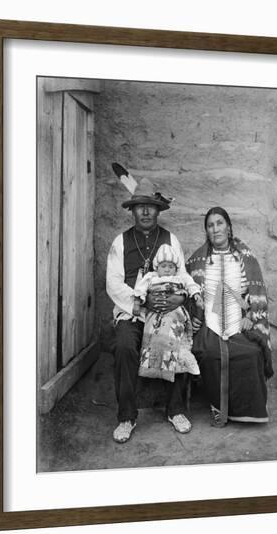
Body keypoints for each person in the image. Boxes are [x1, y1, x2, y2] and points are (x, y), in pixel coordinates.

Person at [107, 164, 193, 443]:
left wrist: (178, 298)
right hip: (133, 313)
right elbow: (113, 282)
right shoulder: (120, 242)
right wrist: (137, 306)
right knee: (123, 345)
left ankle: (176, 410)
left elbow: (182, 276)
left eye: (150, 207)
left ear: (158, 210)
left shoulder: (171, 240)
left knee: (178, 341)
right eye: (139, 206)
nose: (145, 211)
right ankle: (127, 417)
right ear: (132, 210)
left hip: (167, 310)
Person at [186, 206, 274, 427]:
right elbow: (187, 292)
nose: (215, 229)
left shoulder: (246, 258)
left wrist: (251, 316)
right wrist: (195, 315)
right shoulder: (197, 261)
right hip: (210, 321)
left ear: (228, 227)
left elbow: (256, 293)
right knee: (209, 353)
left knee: (252, 352)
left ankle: (248, 408)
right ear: (206, 231)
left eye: (219, 223)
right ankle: (218, 405)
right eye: (210, 225)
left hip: (239, 319)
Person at [133, 243, 202, 382]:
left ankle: (179, 361)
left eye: (171, 267)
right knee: (154, 335)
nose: (167, 270)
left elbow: (190, 284)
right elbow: (140, 288)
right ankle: (152, 365)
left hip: (174, 312)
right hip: (155, 312)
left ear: (175, 268)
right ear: (157, 267)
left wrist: (196, 295)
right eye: (163, 266)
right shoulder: (151, 276)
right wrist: (137, 302)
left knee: (173, 335)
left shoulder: (179, 277)